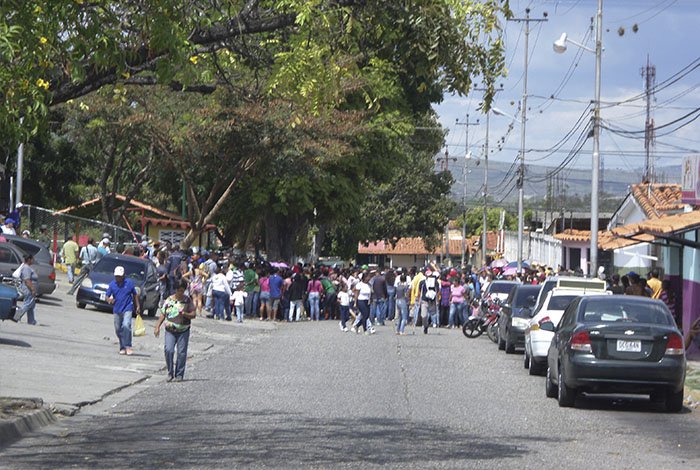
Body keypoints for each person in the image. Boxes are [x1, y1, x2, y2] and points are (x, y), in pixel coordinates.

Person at [154, 279, 196, 382]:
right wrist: (157, 326)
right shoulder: (169, 300)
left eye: (182, 291)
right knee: (169, 350)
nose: (181, 293)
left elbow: (193, 314)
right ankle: (170, 372)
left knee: (181, 353)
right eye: (179, 291)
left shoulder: (187, 301)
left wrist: (185, 314)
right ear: (176, 290)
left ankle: (179, 374)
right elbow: (163, 314)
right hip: (170, 330)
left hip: (183, 330)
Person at [105, 266, 141, 355]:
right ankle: (122, 346)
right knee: (118, 329)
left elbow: (135, 294)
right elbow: (107, 296)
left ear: (124, 275)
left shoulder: (129, 283)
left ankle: (128, 346)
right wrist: (109, 300)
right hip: (117, 309)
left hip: (127, 308)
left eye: (120, 276)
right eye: (116, 276)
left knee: (126, 325)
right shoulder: (112, 285)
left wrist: (138, 306)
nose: (118, 278)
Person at [14, 254, 39, 325]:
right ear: (29, 260)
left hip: (29, 288)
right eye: (32, 259)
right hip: (28, 289)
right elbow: (27, 280)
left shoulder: (28, 267)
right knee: (28, 303)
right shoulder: (26, 268)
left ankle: (31, 320)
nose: (33, 261)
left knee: (31, 304)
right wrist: (32, 289)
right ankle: (16, 316)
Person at [419, 270, 439, 334]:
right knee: (424, 315)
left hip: (432, 301)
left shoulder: (435, 282)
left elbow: (438, 290)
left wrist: (435, 297)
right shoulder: (422, 282)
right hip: (424, 300)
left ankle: (434, 323)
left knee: (433, 313)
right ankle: (425, 325)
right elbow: (420, 291)